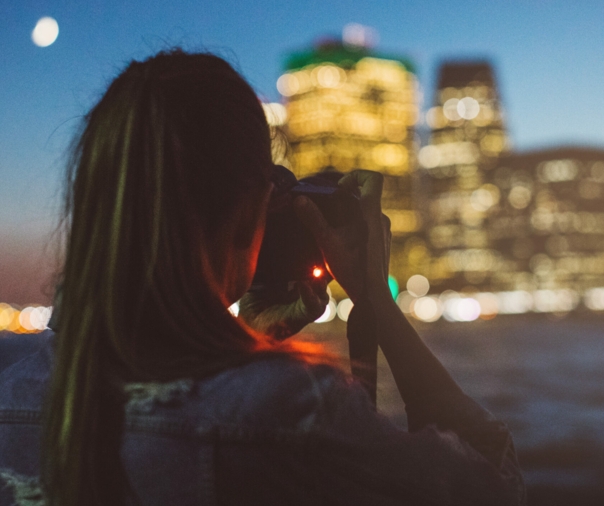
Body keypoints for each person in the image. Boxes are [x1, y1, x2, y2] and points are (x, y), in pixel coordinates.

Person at [0, 50, 525, 506]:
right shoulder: (292, 413)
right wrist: (379, 310)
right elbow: (491, 488)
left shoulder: (12, 372)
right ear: (249, 208)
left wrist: (245, 342)